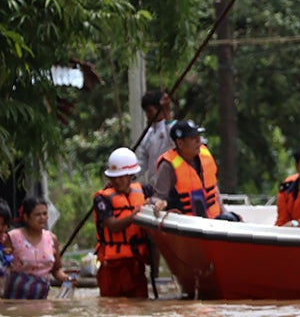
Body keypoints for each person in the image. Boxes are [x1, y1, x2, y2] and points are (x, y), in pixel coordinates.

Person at [93, 147, 149, 299]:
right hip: (112, 266)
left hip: (136, 263)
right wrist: (134, 216)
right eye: (113, 178)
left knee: (140, 309)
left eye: (121, 177)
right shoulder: (102, 199)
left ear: (131, 176)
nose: (117, 181)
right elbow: (112, 225)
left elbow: (162, 195)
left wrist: (158, 204)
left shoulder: (143, 191)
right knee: (113, 309)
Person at [152, 120, 230, 220]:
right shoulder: (168, 165)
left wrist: (224, 211)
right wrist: (158, 203)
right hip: (187, 222)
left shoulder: (204, 155)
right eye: (193, 138)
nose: (199, 141)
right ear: (180, 143)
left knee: (234, 218)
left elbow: (213, 189)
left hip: (214, 220)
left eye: (198, 136)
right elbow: (157, 197)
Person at [3, 195, 70, 300]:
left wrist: (66, 278)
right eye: (37, 214)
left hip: (41, 298)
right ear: (26, 217)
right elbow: (2, 265)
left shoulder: (51, 239)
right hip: (16, 299)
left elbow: (56, 269)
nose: (42, 218)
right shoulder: (13, 237)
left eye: (45, 214)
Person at [135, 89, 174, 185]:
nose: (148, 115)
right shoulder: (148, 134)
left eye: (150, 111)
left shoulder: (170, 128)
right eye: (146, 112)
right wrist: (130, 174)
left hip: (171, 184)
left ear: (159, 109)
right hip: (154, 185)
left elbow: (175, 139)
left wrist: (167, 111)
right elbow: (143, 161)